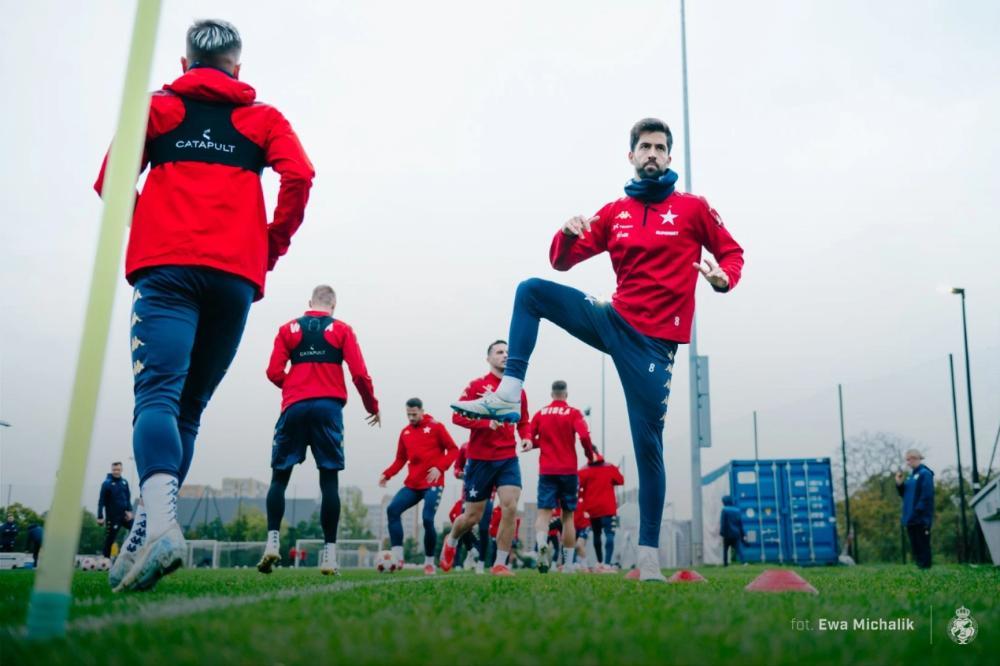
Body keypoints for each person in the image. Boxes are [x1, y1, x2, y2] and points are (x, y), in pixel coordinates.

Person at [451, 118, 744, 581]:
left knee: (649, 448)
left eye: (660, 148)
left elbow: (732, 252)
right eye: (644, 146)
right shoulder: (615, 212)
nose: (652, 153)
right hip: (614, 318)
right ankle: (508, 392)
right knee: (532, 290)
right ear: (630, 155)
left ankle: (649, 558)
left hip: (653, 344)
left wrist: (724, 278)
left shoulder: (693, 209)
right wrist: (566, 234)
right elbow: (561, 262)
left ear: (670, 157)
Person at [95, 19, 315, 592]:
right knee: (186, 409)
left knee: (158, 397)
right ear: (238, 69)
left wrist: (147, 222)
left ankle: (161, 523)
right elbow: (301, 175)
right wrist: (272, 242)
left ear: (186, 62)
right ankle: (149, 527)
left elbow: (112, 181)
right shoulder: (263, 117)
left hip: (168, 269)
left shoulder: (157, 107)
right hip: (235, 277)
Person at [257, 285, 380, 575]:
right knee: (329, 481)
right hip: (329, 409)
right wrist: (371, 406)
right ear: (334, 306)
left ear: (309, 302)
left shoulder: (287, 329)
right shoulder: (342, 330)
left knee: (280, 477)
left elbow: (273, 371)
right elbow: (359, 374)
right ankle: (329, 556)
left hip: (294, 407)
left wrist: (294, 387)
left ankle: (272, 543)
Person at [440, 341, 529, 576]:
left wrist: (527, 437)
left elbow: (523, 421)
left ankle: (500, 563)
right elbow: (456, 416)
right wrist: (485, 423)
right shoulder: (476, 386)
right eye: (499, 352)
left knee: (510, 506)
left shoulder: (516, 389)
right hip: (479, 460)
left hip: (508, 458)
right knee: (472, 517)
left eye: (508, 352)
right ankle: (452, 539)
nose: (505, 356)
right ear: (488, 358)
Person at [520, 380, 595, 573]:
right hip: (568, 470)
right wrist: (589, 455)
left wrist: (533, 443)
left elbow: (530, 437)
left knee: (544, 513)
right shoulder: (573, 413)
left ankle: (541, 543)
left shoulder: (541, 413)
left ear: (552, 394)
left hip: (547, 470)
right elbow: (585, 436)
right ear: (566, 394)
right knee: (568, 517)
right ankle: (569, 565)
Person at [379, 398, 458, 574]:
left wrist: (440, 467)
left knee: (427, 520)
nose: (411, 418)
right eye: (408, 414)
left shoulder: (436, 427)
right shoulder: (405, 432)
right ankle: (398, 557)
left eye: (414, 414)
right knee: (392, 510)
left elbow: (453, 449)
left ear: (422, 411)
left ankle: (429, 562)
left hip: (433, 483)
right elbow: (400, 459)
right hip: (413, 484)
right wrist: (387, 474)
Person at [578, 455, 624, 573]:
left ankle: (599, 562)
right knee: (609, 534)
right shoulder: (610, 467)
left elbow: (577, 486)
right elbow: (620, 480)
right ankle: (607, 564)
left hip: (592, 508)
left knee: (597, 534)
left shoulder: (583, 470)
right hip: (608, 507)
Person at [454, 441, 492, 573]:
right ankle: (471, 551)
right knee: (464, 526)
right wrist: (460, 474)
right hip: (469, 494)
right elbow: (457, 468)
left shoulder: (493, 446)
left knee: (483, 528)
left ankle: (481, 563)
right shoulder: (465, 447)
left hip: (488, 494)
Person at [896, 449, 935, 569]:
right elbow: (904, 494)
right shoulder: (911, 476)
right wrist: (899, 483)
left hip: (920, 517)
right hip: (910, 517)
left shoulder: (925, 474)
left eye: (909, 459)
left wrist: (918, 511)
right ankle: (920, 565)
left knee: (922, 542)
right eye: (907, 460)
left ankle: (925, 566)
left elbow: (926, 495)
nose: (908, 462)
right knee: (915, 544)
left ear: (916, 458)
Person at [97, 462, 134, 559]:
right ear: (111, 469)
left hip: (125, 516)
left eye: (118, 469)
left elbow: (128, 499)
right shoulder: (106, 484)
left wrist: (130, 511)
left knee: (136, 529)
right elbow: (101, 501)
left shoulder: (124, 482)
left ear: (121, 470)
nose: (116, 472)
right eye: (114, 469)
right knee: (110, 539)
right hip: (113, 518)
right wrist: (100, 516)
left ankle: (134, 554)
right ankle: (106, 560)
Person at [719, 495, 744, 566]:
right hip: (736, 533)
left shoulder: (724, 510)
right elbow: (740, 523)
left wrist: (722, 532)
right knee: (739, 548)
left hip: (727, 533)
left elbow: (723, 522)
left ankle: (725, 564)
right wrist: (743, 534)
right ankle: (743, 562)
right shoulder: (737, 510)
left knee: (725, 549)